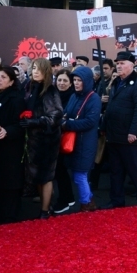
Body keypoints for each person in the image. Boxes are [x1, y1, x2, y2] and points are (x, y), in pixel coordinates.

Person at [100, 51, 137, 209]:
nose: (119, 65)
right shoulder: (116, 82)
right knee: (116, 171)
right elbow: (111, 107)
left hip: (129, 136)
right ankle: (117, 201)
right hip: (114, 134)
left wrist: (133, 132)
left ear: (132, 64)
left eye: (122, 63)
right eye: (118, 62)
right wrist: (104, 127)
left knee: (134, 170)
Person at [21, 58, 63, 219]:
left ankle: (45, 211)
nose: (35, 71)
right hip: (32, 139)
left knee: (45, 175)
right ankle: (45, 207)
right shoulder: (29, 86)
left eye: (39, 69)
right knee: (38, 175)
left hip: (47, 140)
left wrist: (34, 122)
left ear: (46, 71)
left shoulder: (50, 90)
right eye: (33, 68)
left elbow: (56, 116)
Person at [0, 67, 26, 224]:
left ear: (11, 81)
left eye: (3, 77)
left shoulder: (16, 99)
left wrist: (9, 131)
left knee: (10, 182)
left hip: (10, 148)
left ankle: (10, 216)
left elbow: (21, 124)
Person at [61, 66, 101, 211]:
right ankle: (89, 201)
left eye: (80, 80)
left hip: (85, 142)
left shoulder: (93, 98)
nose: (76, 83)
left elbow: (90, 122)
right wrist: (63, 120)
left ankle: (85, 205)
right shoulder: (73, 95)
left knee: (80, 175)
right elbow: (65, 113)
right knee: (78, 175)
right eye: (75, 80)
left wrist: (67, 124)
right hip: (74, 141)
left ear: (87, 81)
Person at [52, 68, 76, 214]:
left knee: (61, 170)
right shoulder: (53, 95)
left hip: (64, 137)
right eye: (59, 80)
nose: (61, 83)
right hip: (53, 136)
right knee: (58, 170)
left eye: (65, 81)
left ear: (70, 83)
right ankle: (68, 197)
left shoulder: (72, 97)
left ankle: (65, 199)